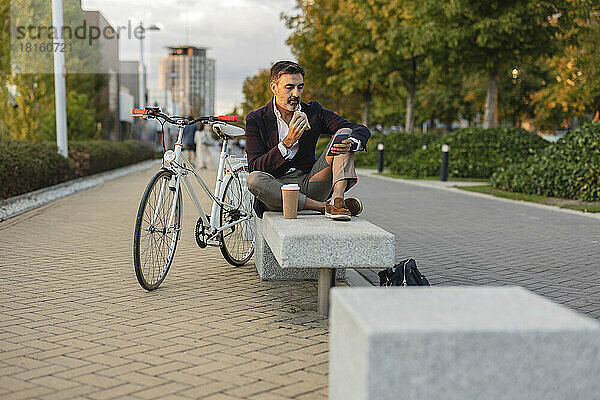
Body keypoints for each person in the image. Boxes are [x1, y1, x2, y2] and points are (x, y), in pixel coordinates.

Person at [245, 61, 370, 221]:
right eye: (289, 87)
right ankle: (325, 207)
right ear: (274, 88)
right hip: (277, 190)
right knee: (254, 179)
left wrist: (352, 142)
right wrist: (287, 142)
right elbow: (255, 167)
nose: (296, 94)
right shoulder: (256, 119)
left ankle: (338, 200)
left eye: (300, 87)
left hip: (311, 182)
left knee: (344, 133)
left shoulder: (313, 112)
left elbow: (358, 128)